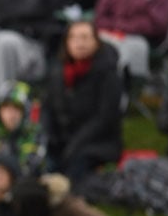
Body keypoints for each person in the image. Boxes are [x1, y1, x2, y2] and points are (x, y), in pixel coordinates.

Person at [41, 20, 124, 186]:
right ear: (67, 43)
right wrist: (48, 135)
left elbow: (105, 118)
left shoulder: (108, 73)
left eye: (85, 38)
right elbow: (47, 108)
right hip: (61, 139)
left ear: (96, 41)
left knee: (74, 173)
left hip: (97, 142)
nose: (79, 43)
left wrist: (76, 143)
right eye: (74, 38)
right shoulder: (57, 71)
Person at [0, 80, 46, 178]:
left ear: (25, 111)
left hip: (24, 186)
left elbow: (28, 169)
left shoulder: (34, 133)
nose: (10, 114)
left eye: (16, 108)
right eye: (6, 107)